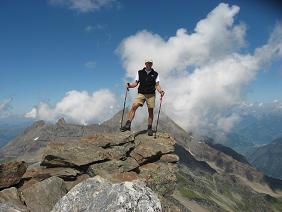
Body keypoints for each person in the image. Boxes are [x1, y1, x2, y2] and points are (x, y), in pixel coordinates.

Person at [120, 59, 165, 136]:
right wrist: (129, 85)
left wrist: (160, 91)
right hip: (141, 93)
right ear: (145, 64)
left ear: (152, 64)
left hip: (151, 94)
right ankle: (128, 125)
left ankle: (149, 128)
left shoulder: (155, 74)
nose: (149, 64)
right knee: (134, 106)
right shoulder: (139, 72)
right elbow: (135, 83)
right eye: (148, 63)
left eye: (150, 63)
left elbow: (157, 85)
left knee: (150, 111)